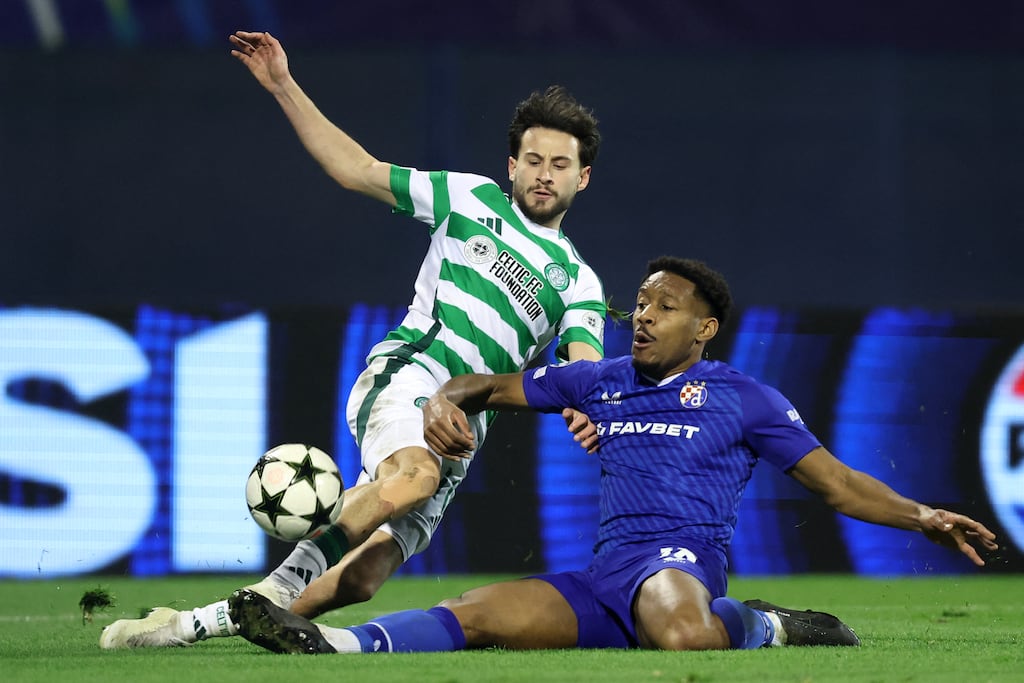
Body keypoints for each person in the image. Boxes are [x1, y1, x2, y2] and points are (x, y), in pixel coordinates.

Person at [99, 30, 607, 649]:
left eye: (559, 165)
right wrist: (284, 85)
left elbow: (584, 362)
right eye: (532, 160)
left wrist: (588, 403)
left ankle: (187, 626)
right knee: (414, 476)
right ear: (511, 165)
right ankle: (264, 599)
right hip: (411, 378)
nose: (543, 175)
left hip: (462, 435)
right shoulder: (469, 198)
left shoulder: (578, 280)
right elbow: (356, 169)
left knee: (362, 578)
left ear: (583, 177)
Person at [223, 255, 998, 654]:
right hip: (604, 577)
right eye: (642, 300)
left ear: (705, 330)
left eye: (667, 307)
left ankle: (763, 625)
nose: (644, 315)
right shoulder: (601, 380)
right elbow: (489, 384)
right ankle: (324, 640)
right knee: (478, 613)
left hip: (682, 563)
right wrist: (440, 399)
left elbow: (835, 484)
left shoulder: (745, 397)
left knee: (683, 632)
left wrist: (922, 514)